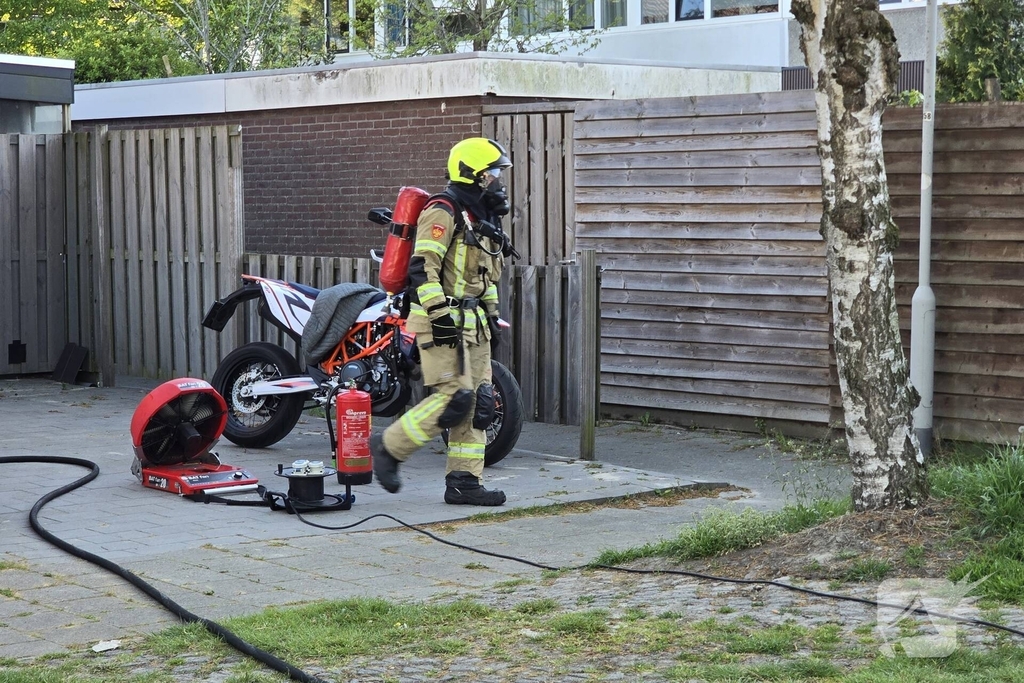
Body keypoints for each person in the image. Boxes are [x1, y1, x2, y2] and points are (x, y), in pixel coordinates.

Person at [371, 137, 518, 506]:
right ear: (473, 173)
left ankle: (464, 483)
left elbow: (484, 279)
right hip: (441, 321)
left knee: (480, 404)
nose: (498, 179)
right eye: (493, 172)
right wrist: (438, 316)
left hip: (475, 325)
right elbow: (424, 269)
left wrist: (493, 316)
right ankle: (389, 446)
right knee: (456, 400)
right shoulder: (443, 210)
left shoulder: (480, 216)